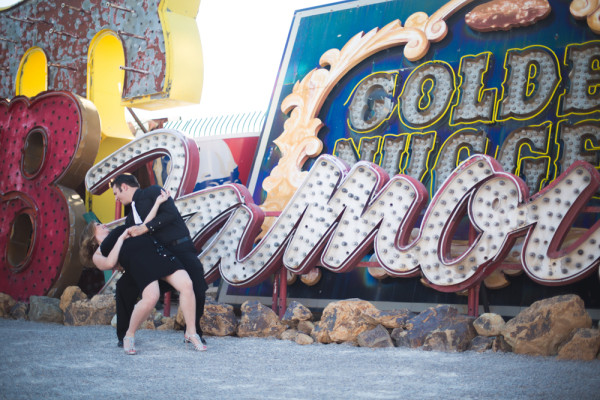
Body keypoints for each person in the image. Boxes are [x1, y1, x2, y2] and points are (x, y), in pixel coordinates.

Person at [80, 192, 205, 354]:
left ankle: (191, 333)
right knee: (150, 297)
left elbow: (144, 224)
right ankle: (128, 335)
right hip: (140, 263)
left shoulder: (119, 229)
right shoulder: (100, 251)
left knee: (187, 284)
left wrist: (157, 203)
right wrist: (121, 239)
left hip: (158, 253)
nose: (102, 225)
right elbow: (109, 263)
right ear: (92, 238)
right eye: (97, 225)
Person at [110, 174, 208, 349]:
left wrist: (145, 228)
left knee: (197, 287)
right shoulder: (130, 217)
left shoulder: (153, 192)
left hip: (180, 248)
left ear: (124, 186)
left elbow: (170, 214)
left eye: (116, 193)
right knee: (124, 286)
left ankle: (193, 333)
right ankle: (124, 335)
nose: (116, 198)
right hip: (157, 258)